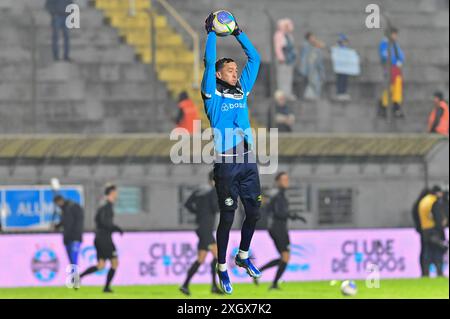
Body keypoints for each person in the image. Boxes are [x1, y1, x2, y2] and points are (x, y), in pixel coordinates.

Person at [202, 12, 262, 295]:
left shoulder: (241, 90)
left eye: (236, 70)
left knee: (254, 213)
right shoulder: (211, 92)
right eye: (229, 70)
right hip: (226, 163)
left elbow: (256, 59)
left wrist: (238, 31)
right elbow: (208, 60)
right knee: (227, 217)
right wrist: (212, 33)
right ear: (217, 74)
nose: (235, 73)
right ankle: (222, 268)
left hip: (247, 160)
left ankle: (243, 255)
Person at [256, 172, 305, 289]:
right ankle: (272, 282)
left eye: (287, 179)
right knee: (285, 256)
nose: (286, 182)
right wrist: (293, 215)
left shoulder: (280, 195)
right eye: (283, 179)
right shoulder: (276, 194)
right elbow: (277, 212)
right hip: (277, 228)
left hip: (280, 228)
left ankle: (263, 275)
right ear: (277, 181)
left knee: (285, 257)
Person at [179, 171, 222, 296]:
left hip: (201, 228)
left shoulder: (199, 190)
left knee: (201, 259)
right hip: (206, 229)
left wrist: (198, 212)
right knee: (218, 256)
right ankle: (214, 286)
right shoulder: (213, 191)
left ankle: (185, 285)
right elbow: (216, 208)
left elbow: (187, 204)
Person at [79, 184, 123, 292]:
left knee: (101, 265)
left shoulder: (104, 205)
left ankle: (79, 277)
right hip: (104, 239)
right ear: (112, 193)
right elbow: (104, 222)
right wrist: (115, 228)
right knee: (114, 262)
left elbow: (97, 219)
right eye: (115, 192)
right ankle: (106, 288)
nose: (117, 194)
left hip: (100, 237)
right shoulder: (106, 206)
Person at [417, 185, 449, 277]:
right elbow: (437, 216)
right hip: (434, 230)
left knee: (427, 253)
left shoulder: (424, 200)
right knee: (437, 252)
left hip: (425, 230)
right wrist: (442, 224)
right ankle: (439, 272)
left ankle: (425, 273)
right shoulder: (434, 201)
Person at [378, 27, 405, 118]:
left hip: (396, 70)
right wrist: (395, 61)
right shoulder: (384, 44)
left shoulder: (395, 44)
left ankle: (396, 107)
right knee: (388, 89)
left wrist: (399, 61)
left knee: (397, 89)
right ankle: (384, 108)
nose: (395, 36)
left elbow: (401, 55)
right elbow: (385, 56)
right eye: (393, 34)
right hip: (389, 69)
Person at [53, 195, 84, 266]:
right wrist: (57, 226)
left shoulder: (73, 207)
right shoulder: (64, 209)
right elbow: (65, 222)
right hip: (68, 238)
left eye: (57, 203)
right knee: (72, 261)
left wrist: (76, 233)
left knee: (74, 259)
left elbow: (77, 221)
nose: (58, 206)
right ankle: (74, 276)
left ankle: (75, 277)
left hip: (75, 237)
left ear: (60, 201)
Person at [273, 18, 297, 101]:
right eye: (285, 26)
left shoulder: (289, 35)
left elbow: (292, 47)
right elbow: (278, 48)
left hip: (290, 59)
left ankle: (288, 93)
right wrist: (281, 58)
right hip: (282, 59)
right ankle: (282, 95)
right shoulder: (279, 34)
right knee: (282, 77)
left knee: (288, 77)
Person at [300, 32, 326, 101]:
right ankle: (314, 96)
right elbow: (304, 59)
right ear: (308, 38)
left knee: (316, 82)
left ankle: (311, 95)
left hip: (316, 68)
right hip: (310, 68)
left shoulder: (316, 49)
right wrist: (303, 69)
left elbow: (319, 62)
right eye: (312, 37)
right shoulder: (306, 46)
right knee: (314, 82)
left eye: (314, 37)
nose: (313, 39)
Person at [412, 188, 431, 277]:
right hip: (427, 230)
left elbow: (415, 216)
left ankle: (424, 271)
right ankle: (426, 271)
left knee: (424, 251)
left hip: (422, 231)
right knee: (427, 251)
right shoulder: (425, 204)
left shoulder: (417, 204)